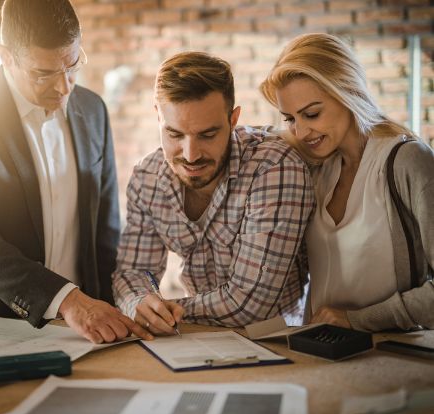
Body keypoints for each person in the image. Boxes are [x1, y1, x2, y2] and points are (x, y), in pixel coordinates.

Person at [0, 0, 151, 343]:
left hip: (79, 325)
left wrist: (120, 303)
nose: (64, 87)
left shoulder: (93, 109)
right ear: (5, 56)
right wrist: (67, 300)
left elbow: (104, 230)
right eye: (43, 73)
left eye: (72, 65)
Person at [112, 51, 315, 334]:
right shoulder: (147, 177)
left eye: (207, 135)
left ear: (233, 119)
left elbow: (251, 303)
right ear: (158, 117)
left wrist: (170, 311)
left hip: (277, 342)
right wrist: (140, 301)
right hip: (198, 341)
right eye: (174, 134)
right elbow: (134, 271)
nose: (191, 155)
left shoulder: (273, 167)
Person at [259, 33, 434, 332]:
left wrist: (358, 320)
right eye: (290, 119)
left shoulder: (407, 161)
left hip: (395, 360)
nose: (301, 132)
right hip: (319, 353)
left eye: (312, 114)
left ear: (348, 93)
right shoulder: (313, 167)